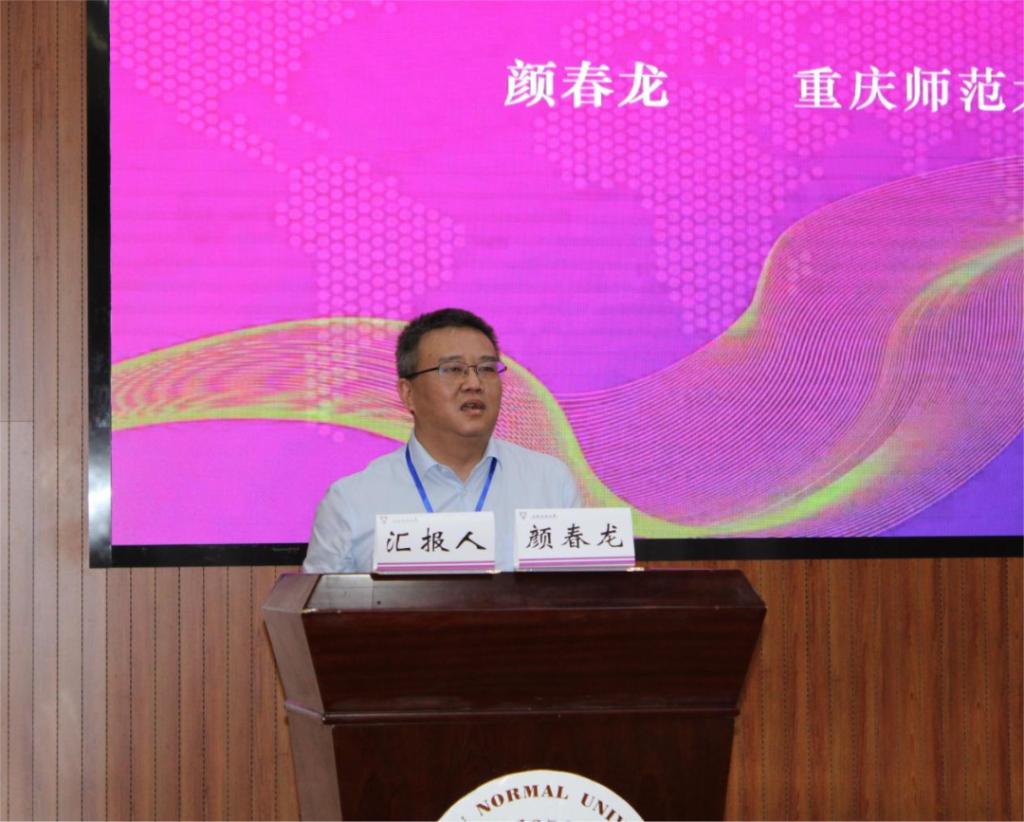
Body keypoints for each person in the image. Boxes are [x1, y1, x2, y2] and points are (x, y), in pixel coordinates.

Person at [303, 307, 582, 573]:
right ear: (408, 393)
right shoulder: (351, 502)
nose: (474, 383)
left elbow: (581, 594)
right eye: (453, 369)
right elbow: (319, 603)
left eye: (486, 368)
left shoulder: (550, 483)